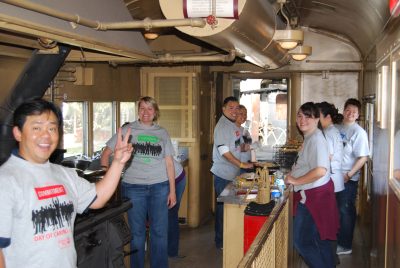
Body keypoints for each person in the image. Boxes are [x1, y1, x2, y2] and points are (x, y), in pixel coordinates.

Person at [0, 99, 133, 268]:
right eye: (37, 128)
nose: (46, 135)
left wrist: (118, 163)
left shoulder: (63, 174)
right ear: (18, 133)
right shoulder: (6, 180)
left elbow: (98, 198)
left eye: (52, 128)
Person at [101, 96, 176, 268]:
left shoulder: (162, 133)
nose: (146, 112)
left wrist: (172, 191)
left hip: (160, 186)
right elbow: (105, 154)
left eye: (150, 109)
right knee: (137, 234)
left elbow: (169, 163)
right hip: (134, 187)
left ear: (155, 112)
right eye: (142, 108)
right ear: (138, 111)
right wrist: (107, 177)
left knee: (159, 232)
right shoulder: (128, 130)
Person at [285, 102, 339, 268]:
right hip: (315, 196)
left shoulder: (316, 139)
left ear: (317, 119)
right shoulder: (310, 138)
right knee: (320, 240)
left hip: (314, 199)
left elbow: (320, 170)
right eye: (300, 115)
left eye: (308, 116)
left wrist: (295, 181)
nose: (302, 120)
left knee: (302, 242)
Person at [210, 96, 253, 249]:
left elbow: (236, 147)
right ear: (223, 109)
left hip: (233, 173)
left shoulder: (233, 127)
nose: (235, 112)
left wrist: (246, 150)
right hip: (223, 174)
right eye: (231, 108)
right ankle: (220, 242)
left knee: (230, 208)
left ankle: (228, 238)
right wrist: (241, 164)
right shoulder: (222, 126)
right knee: (223, 209)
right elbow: (224, 151)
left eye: (237, 108)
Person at [336, 98, 369, 255]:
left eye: (354, 112)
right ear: (344, 111)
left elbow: (363, 157)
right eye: (348, 110)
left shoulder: (359, 132)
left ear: (358, 115)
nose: (350, 114)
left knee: (346, 210)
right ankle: (338, 241)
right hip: (335, 176)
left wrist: (349, 174)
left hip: (347, 179)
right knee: (338, 210)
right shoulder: (338, 127)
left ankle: (346, 245)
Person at [316, 101, 344, 265]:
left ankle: (330, 258)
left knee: (328, 223)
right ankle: (331, 257)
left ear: (327, 116)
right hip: (335, 181)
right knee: (331, 221)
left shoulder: (328, 133)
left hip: (331, 182)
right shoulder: (331, 131)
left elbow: (328, 156)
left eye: (317, 116)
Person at [168, 159, 186, 258]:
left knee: (171, 215)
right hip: (163, 179)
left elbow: (169, 165)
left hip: (177, 178)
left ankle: (172, 252)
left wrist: (172, 191)